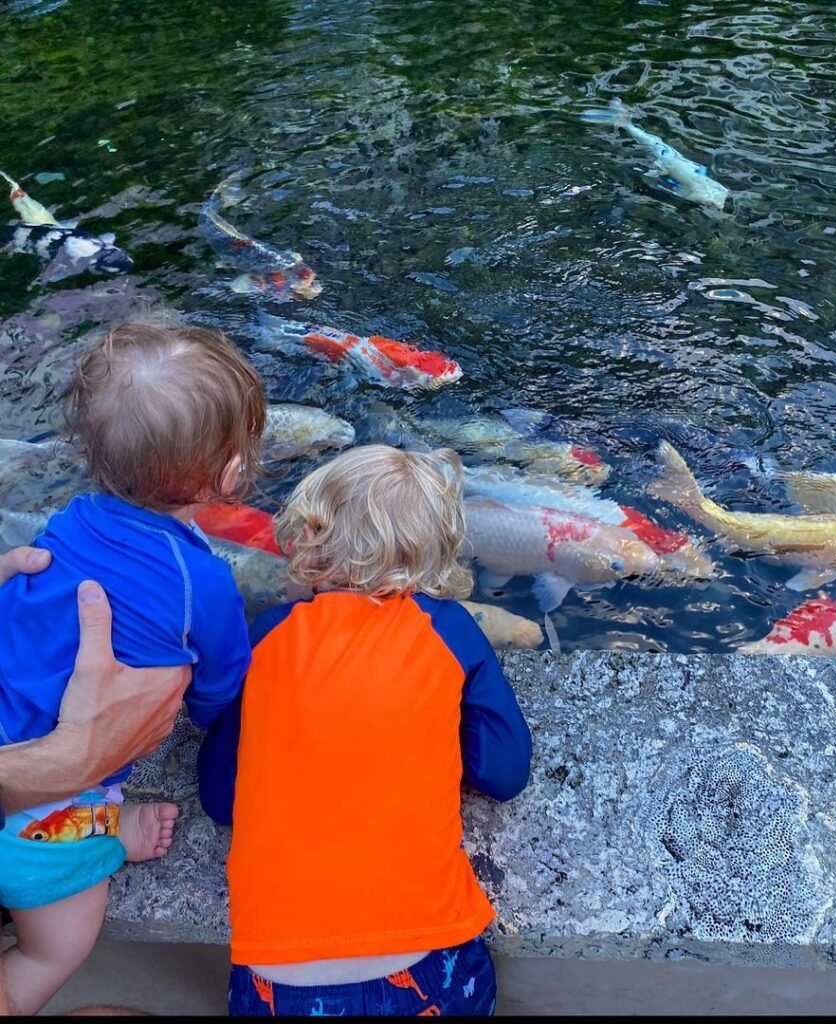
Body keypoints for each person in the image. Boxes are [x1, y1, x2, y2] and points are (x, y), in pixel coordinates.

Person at [197, 444, 533, 1017]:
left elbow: (220, 798)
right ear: (436, 552)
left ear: (309, 534)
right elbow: (504, 773)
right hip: (428, 965)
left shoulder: (267, 635)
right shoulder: (448, 629)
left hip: (275, 981)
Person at [0, 321, 267, 1016]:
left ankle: (109, 827)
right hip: (43, 823)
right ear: (231, 472)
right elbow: (218, 689)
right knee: (54, 948)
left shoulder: (68, 520)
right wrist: (206, 717)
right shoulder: (200, 582)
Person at [0, 552, 190, 1018]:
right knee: (49, 952)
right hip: (40, 844)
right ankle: (97, 822)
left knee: (49, 953)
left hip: (38, 840)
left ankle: (97, 820)